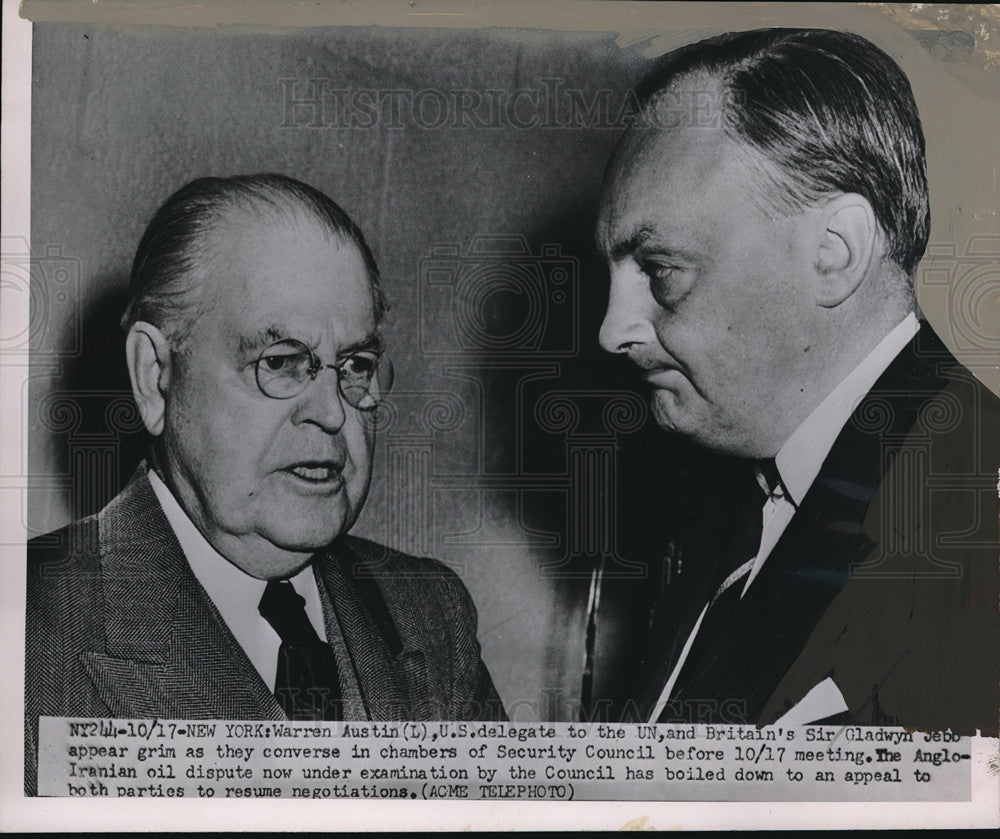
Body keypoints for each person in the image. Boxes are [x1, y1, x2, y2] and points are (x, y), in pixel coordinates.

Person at [25, 174, 504, 794]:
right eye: (280, 362)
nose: (332, 411)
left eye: (354, 365)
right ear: (155, 377)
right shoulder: (27, 632)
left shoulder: (430, 615)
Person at [596, 28, 998, 732]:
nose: (612, 329)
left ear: (835, 252)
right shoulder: (732, 510)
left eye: (660, 270)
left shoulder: (975, 522)